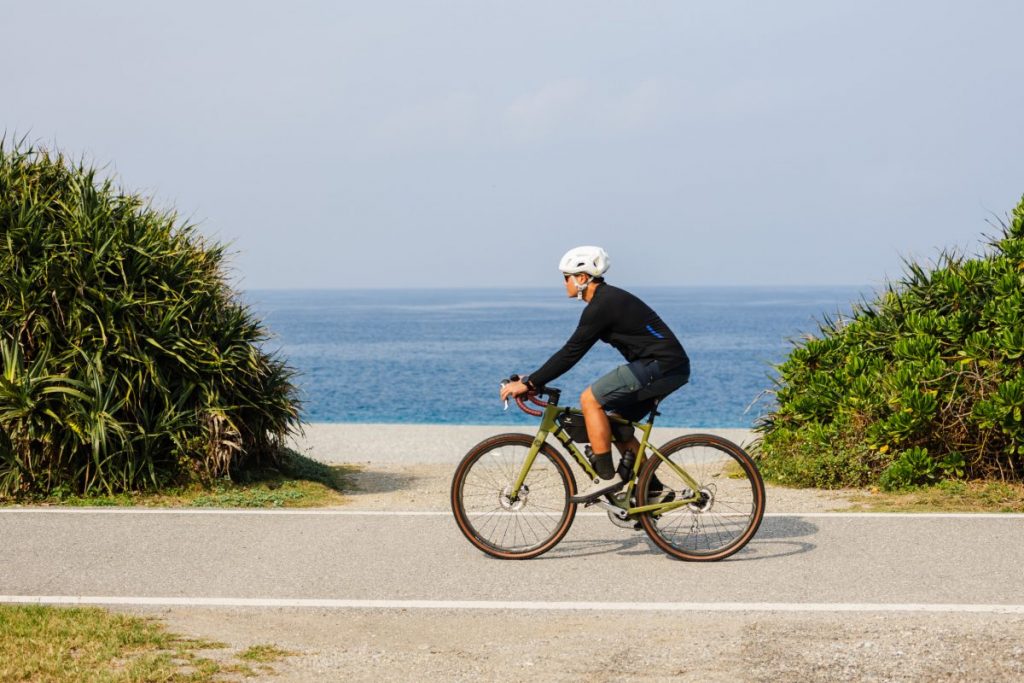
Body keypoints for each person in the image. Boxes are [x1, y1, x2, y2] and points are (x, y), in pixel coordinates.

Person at [499, 245, 690, 503]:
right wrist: (532, 379)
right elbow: (571, 352)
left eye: (566, 277)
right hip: (665, 367)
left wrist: (531, 382)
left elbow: (571, 352)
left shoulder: (602, 305)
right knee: (618, 428)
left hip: (661, 365)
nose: (563, 283)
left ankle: (606, 477)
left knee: (590, 399)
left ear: (582, 278)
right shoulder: (605, 301)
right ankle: (654, 491)